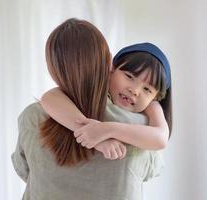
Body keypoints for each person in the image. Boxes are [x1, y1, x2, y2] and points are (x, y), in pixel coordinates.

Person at [12, 18, 164, 200]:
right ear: (110, 64)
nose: (135, 90)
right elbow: (151, 170)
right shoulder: (140, 126)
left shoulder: (32, 116)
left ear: (52, 69)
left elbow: (24, 170)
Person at [40, 42, 172, 159]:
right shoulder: (97, 87)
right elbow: (49, 98)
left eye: (147, 89)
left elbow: (161, 138)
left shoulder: (151, 106)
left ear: (155, 98)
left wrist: (108, 129)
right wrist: (97, 139)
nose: (135, 91)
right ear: (111, 69)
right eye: (129, 76)